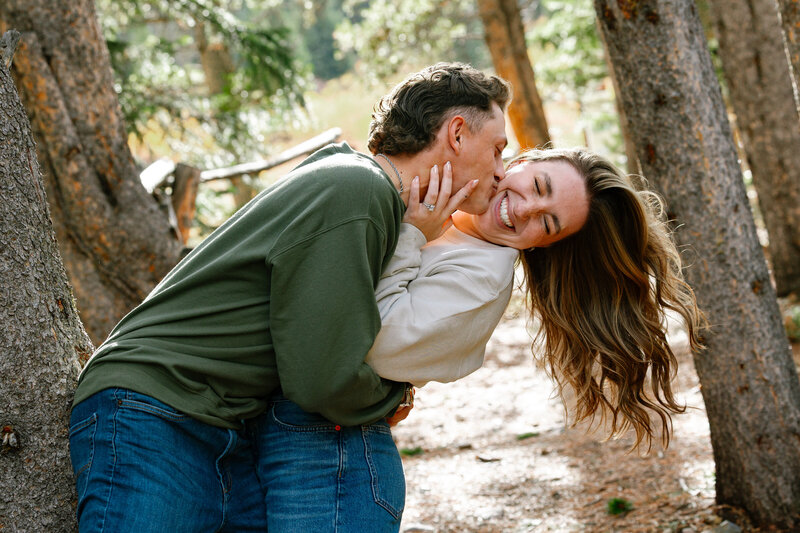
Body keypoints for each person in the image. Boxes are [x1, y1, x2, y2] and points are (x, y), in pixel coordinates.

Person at [68, 62, 511, 532]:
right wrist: (394, 392)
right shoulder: (357, 192)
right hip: (156, 410)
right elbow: (322, 379)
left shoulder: (360, 187)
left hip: (212, 423)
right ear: (457, 134)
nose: (502, 170)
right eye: (498, 149)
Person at [365, 147, 704, 451]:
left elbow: (378, 346)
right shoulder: (436, 192)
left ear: (542, 246)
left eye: (547, 222)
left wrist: (410, 235)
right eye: (539, 187)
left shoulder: (482, 280)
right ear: (521, 162)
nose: (526, 209)